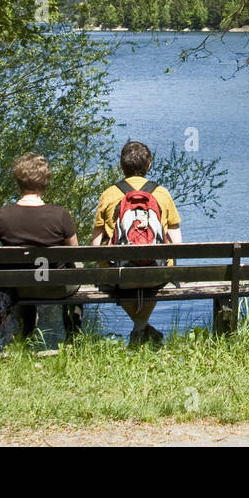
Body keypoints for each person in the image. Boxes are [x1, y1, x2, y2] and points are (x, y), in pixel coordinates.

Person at [93, 140, 181, 345]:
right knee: (165, 263)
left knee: (107, 263)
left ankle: (140, 327)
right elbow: (175, 236)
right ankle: (141, 327)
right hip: (156, 274)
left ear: (121, 166)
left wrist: (98, 263)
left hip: (120, 275)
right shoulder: (161, 193)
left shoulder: (109, 194)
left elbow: (97, 240)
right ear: (149, 165)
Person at [0, 152, 82, 341]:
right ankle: (73, 336)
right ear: (45, 182)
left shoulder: (2, 216)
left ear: (18, 181)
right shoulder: (61, 215)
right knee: (77, 268)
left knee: (24, 272)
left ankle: (24, 335)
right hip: (56, 288)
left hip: (18, 287)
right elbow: (75, 254)